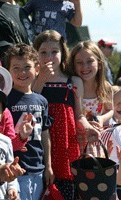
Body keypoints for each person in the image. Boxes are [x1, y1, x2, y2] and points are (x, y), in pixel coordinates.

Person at [32, 30, 99, 199]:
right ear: (36, 54)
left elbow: (79, 115)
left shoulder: (73, 81)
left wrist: (89, 127)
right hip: (42, 142)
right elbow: (31, 104)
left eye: (54, 51)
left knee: (67, 190)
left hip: (67, 144)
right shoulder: (33, 79)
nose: (49, 56)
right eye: (43, 52)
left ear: (62, 52)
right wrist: (40, 80)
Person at [4, 43, 53, 199]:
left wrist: (48, 166)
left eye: (27, 67)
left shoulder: (42, 101)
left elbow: (45, 135)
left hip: (38, 168)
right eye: (16, 68)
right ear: (8, 71)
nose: (22, 72)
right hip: (16, 169)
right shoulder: (5, 100)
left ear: (37, 69)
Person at [68, 40, 114, 155]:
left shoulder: (105, 86)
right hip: (75, 140)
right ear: (73, 64)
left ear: (99, 63)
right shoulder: (72, 86)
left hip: (96, 141)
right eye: (79, 62)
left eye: (90, 61)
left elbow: (110, 109)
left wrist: (102, 119)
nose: (85, 67)